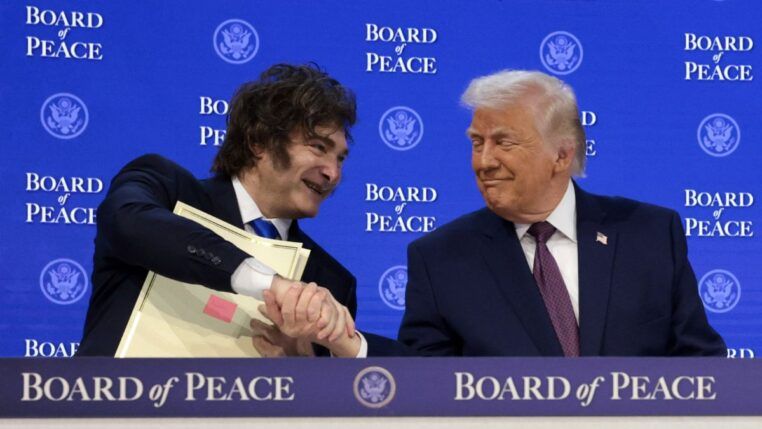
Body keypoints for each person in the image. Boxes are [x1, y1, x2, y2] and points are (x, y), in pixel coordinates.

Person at [267, 69, 726, 357]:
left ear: (561, 155)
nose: (483, 161)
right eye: (476, 143)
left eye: (503, 142)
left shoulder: (649, 234)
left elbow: (703, 369)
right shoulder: (440, 259)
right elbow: (422, 386)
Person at [76, 64, 358, 356]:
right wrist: (271, 284)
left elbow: (325, 383)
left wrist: (301, 366)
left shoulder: (330, 283)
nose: (333, 173)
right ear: (259, 141)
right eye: (318, 147)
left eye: (340, 159)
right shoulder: (166, 190)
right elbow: (127, 222)